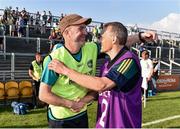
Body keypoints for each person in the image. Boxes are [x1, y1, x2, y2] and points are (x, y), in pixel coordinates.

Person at [39, 14, 157, 128]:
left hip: (81, 113)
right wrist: (70, 104)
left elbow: (117, 42)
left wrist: (140, 37)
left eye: (85, 28)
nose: (86, 32)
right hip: (61, 119)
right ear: (67, 33)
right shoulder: (54, 59)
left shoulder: (91, 48)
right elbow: (43, 95)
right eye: (81, 28)